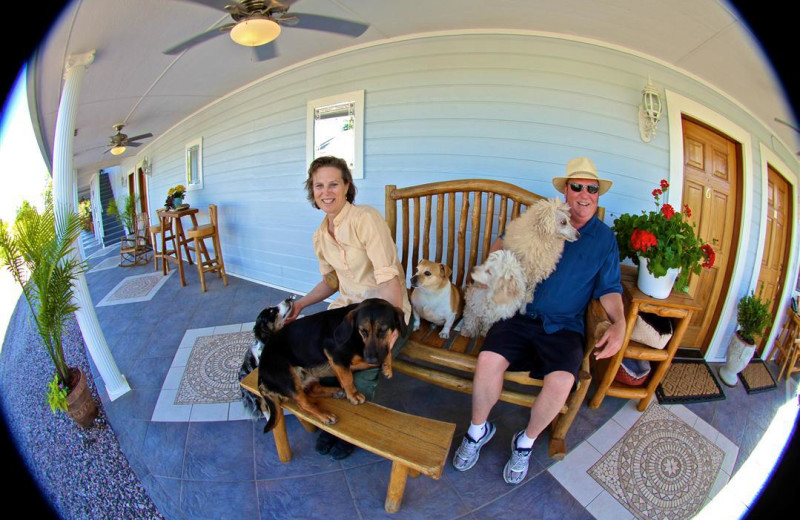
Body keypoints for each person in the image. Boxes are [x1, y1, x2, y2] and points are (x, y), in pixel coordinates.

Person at [452, 156, 626, 484]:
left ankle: (525, 441)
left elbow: (610, 289)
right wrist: (496, 268)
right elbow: (503, 242)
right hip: (520, 314)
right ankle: (477, 431)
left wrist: (619, 323)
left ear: (598, 195)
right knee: (488, 360)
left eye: (592, 189)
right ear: (566, 191)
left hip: (564, 326)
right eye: (577, 187)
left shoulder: (604, 239)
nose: (585, 194)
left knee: (562, 381)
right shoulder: (543, 218)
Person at [286, 155, 412, 459]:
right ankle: (332, 416)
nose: (325, 191)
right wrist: (301, 304)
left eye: (333, 184)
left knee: (362, 361)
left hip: (383, 311)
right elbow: (331, 282)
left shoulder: (365, 219)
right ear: (312, 191)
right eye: (319, 185)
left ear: (346, 187)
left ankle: (353, 427)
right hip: (347, 311)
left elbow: (387, 276)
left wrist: (391, 330)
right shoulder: (320, 235)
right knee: (324, 352)